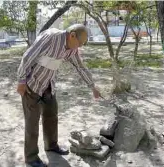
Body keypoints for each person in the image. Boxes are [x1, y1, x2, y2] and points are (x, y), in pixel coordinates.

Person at [17, 24, 101, 167]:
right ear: (72, 35)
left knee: (51, 117)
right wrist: (21, 81)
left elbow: (80, 67)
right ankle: (31, 158)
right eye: (79, 43)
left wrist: (92, 86)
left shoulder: (72, 49)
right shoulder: (51, 37)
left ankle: (51, 146)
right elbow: (28, 57)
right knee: (32, 123)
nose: (79, 47)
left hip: (48, 85)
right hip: (32, 85)